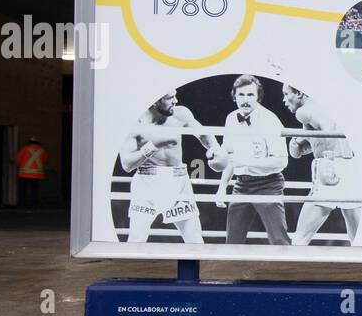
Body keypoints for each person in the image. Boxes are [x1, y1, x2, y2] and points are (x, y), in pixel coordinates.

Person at [119, 92, 220, 243]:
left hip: (179, 182)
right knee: (136, 238)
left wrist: (215, 148)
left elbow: (203, 134)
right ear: (154, 101)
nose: (176, 100)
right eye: (169, 98)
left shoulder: (181, 114)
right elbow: (126, 164)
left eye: (175, 95)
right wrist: (153, 146)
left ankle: (195, 267)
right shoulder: (136, 123)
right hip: (147, 183)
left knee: (194, 238)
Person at [213, 74, 291, 246]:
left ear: (258, 97)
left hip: (268, 185)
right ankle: (230, 273)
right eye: (241, 95)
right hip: (241, 185)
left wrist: (247, 162)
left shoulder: (270, 121)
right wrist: (222, 187)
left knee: (279, 239)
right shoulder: (231, 119)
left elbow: (281, 162)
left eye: (250, 95)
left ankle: (287, 272)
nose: (245, 100)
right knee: (232, 241)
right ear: (234, 96)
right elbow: (230, 158)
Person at [283, 85, 360, 246]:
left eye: (286, 94)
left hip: (330, 165)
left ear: (299, 93)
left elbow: (328, 129)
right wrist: (300, 141)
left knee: (300, 237)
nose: (284, 100)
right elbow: (320, 138)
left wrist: (328, 159)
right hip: (349, 167)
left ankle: (289, 270)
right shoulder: (325, 107)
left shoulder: (303, 111)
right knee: (358, 238)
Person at [15, 137, 46, 208]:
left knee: (23, 190)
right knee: (34, 191)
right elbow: (44, 161)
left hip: (24, 174)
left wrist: (20, 165)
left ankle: (22, 204)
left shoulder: (25, 148)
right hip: (36, 175)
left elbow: (18, 159)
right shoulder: (42, 150)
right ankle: (34, 204)